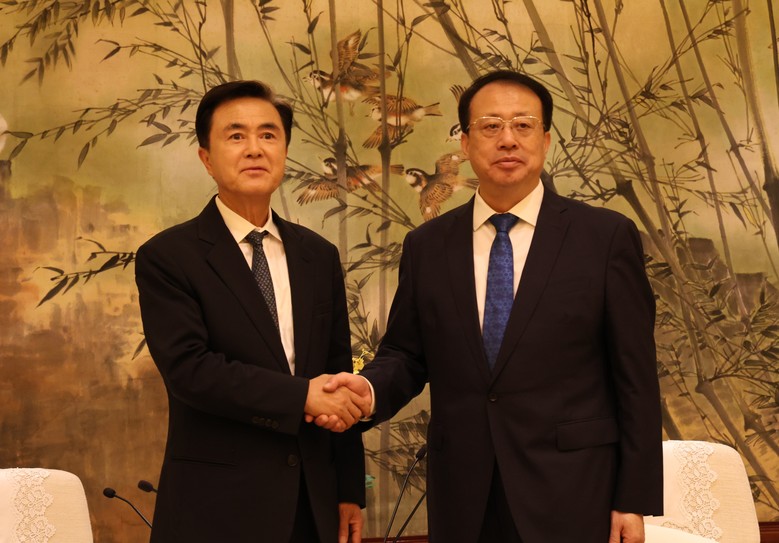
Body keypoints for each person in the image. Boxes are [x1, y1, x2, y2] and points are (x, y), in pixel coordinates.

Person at [318, 70, 663, 542]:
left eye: (523, 125)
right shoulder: (428, 245)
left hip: (575, 489)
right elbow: (406, 355)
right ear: (464, 142)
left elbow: (636, 376)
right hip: (464, 493)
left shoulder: (604, 237)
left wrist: (633, 499)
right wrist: (366, 392)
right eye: (490, 126)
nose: (508, 139)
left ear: (545, 140)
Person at [135, 80, 368, 543]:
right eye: (236, 135)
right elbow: (191, 371)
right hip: (216, 507)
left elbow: (336, 371)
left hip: (311, 504)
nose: (254, 149)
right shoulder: (168, 257)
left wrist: (348, 489)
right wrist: (301, 396)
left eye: (268, 134)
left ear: (284, 150)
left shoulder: (318, 255)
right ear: (206, 157)